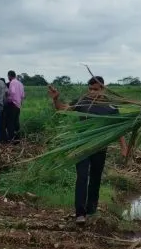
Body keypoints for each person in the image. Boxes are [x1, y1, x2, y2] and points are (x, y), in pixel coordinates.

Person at [48, 76, 125, 224]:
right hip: (82, 146)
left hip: (100, 147)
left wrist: (124, 147)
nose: (92, 92)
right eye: (90, 89)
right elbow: (63, 109)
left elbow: (119, 128)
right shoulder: (82, 101)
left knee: (95, 179)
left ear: (103, 89)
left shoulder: (111, 107)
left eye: (95, 89)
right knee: (82, 177)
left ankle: (91, 210)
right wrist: (55, 99)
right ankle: (80, 213)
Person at [3, 70, 25, 143]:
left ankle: (11, 139)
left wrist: (7, 97)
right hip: (18, 105)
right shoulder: (20, 83)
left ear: (9, 76)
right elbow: (23, 95)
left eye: (8, 76)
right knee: (16, 122)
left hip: (12, 104)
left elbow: (12, 92)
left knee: (10, 122)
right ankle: (17, 138)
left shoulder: (12, 82)